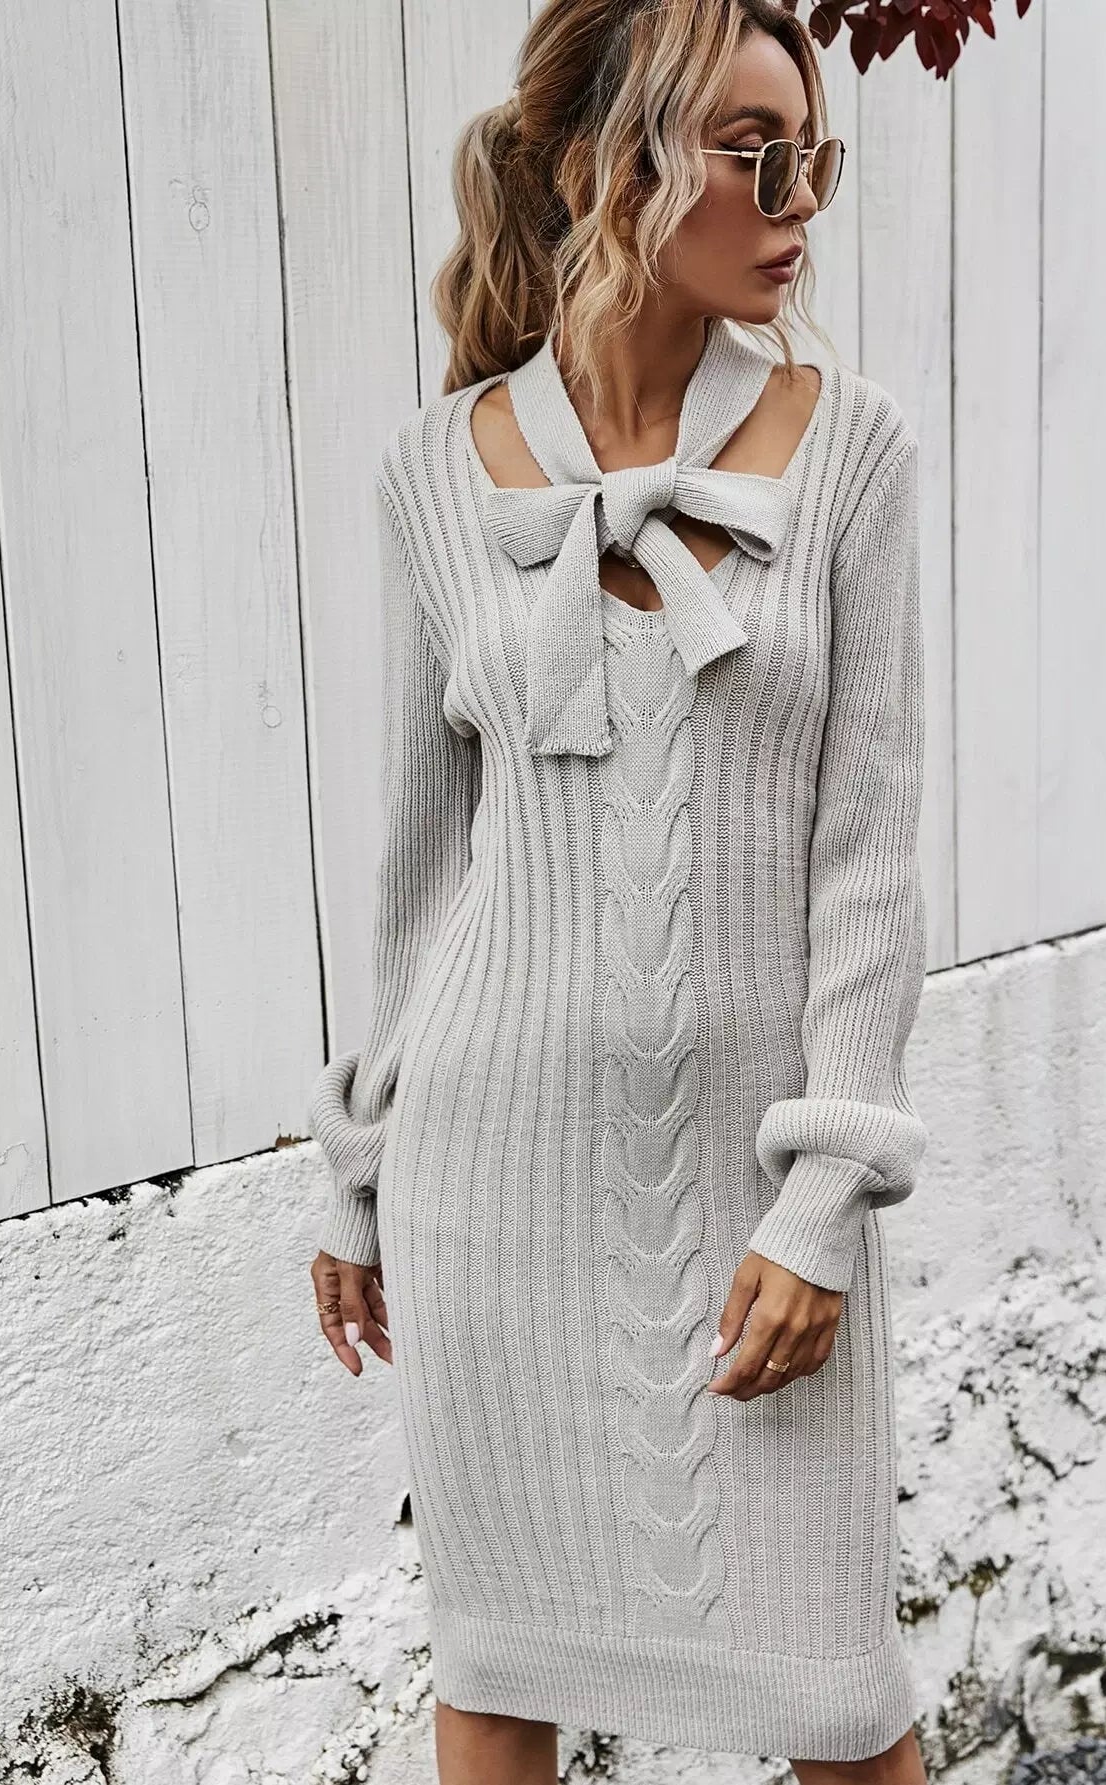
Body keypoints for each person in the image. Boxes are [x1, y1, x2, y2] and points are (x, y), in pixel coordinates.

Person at [307, 2, 929, 1780]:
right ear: (605, 169)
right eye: (750, 150)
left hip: (755, 1190)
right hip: (487, 1183)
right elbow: (421, 869)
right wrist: (357, 1170)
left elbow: (871, 861)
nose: (796, 197)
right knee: (497, 1672)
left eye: (810, 153)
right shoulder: (434, 475)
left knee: (842, 1700)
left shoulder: (854, 453)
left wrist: (824, 1201)